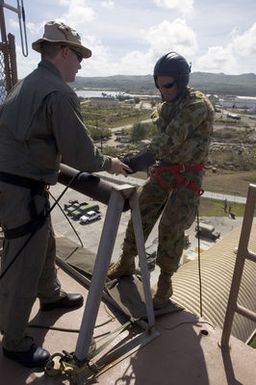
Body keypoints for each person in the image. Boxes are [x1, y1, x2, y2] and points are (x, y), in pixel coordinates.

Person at [0, 21, 130, 368]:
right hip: (20, 189)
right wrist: (110, 162)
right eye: (79, 56)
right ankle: (13, 340)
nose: (81, 64)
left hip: (15, 184)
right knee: (23, 261)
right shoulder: (57, 92)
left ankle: (51, 295)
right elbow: (81, 155)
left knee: (43, 242)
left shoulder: (26, 83)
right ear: (63, 51)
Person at [107, 51, 214, 309]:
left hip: (188, 174)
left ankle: (165, 282)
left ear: (183, 81)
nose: (163, 90)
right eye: (159, 84)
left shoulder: (196, 106)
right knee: (139, 210)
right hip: (166, 169)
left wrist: (132, 163)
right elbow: (161, 143)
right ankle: (126, 262)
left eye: (168, 85)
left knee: (171, 227)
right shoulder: (168, 104)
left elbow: (168, 141)